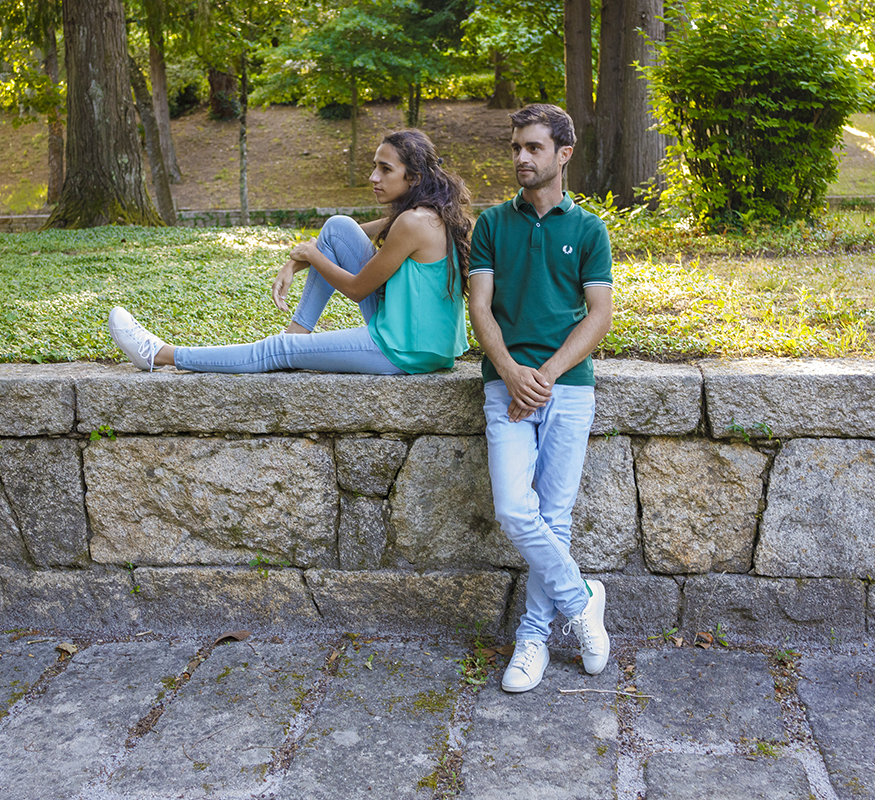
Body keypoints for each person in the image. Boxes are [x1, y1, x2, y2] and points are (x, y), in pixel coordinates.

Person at [108, 129, 471, 376]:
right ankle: (298, 331)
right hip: (422, 340)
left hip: (404, 349)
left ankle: (161, 354)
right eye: (374, 166)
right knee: (338, 224)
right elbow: (345, 236)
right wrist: (297, 260)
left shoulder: (413, 222)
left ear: (415, 177)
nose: (373, 177)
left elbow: (358, 289)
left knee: (276, 350)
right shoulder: (427, 213)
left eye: (385, 169)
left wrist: (312, 257)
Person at [468, 104, 614, 693]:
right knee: (513, 509)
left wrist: (546, 374)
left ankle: (533, 637)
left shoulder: (588, 230)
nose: (522, 158)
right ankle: (582, 602)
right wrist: (509, 369)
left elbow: (599, 316)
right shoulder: (492, 225)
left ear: (563, 155)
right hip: (505, 386)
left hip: (569, 388)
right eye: (516, 148)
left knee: (554, 517)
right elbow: (479, 307)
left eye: (534, 147)